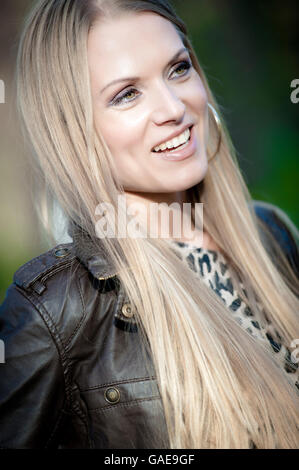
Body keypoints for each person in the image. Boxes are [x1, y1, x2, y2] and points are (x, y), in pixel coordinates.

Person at [0, 0, 298, 450]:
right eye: (127, 94)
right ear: (73, 129)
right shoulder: (57, 309)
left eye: (178, 69)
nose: (174, 108)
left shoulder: (271, 234)